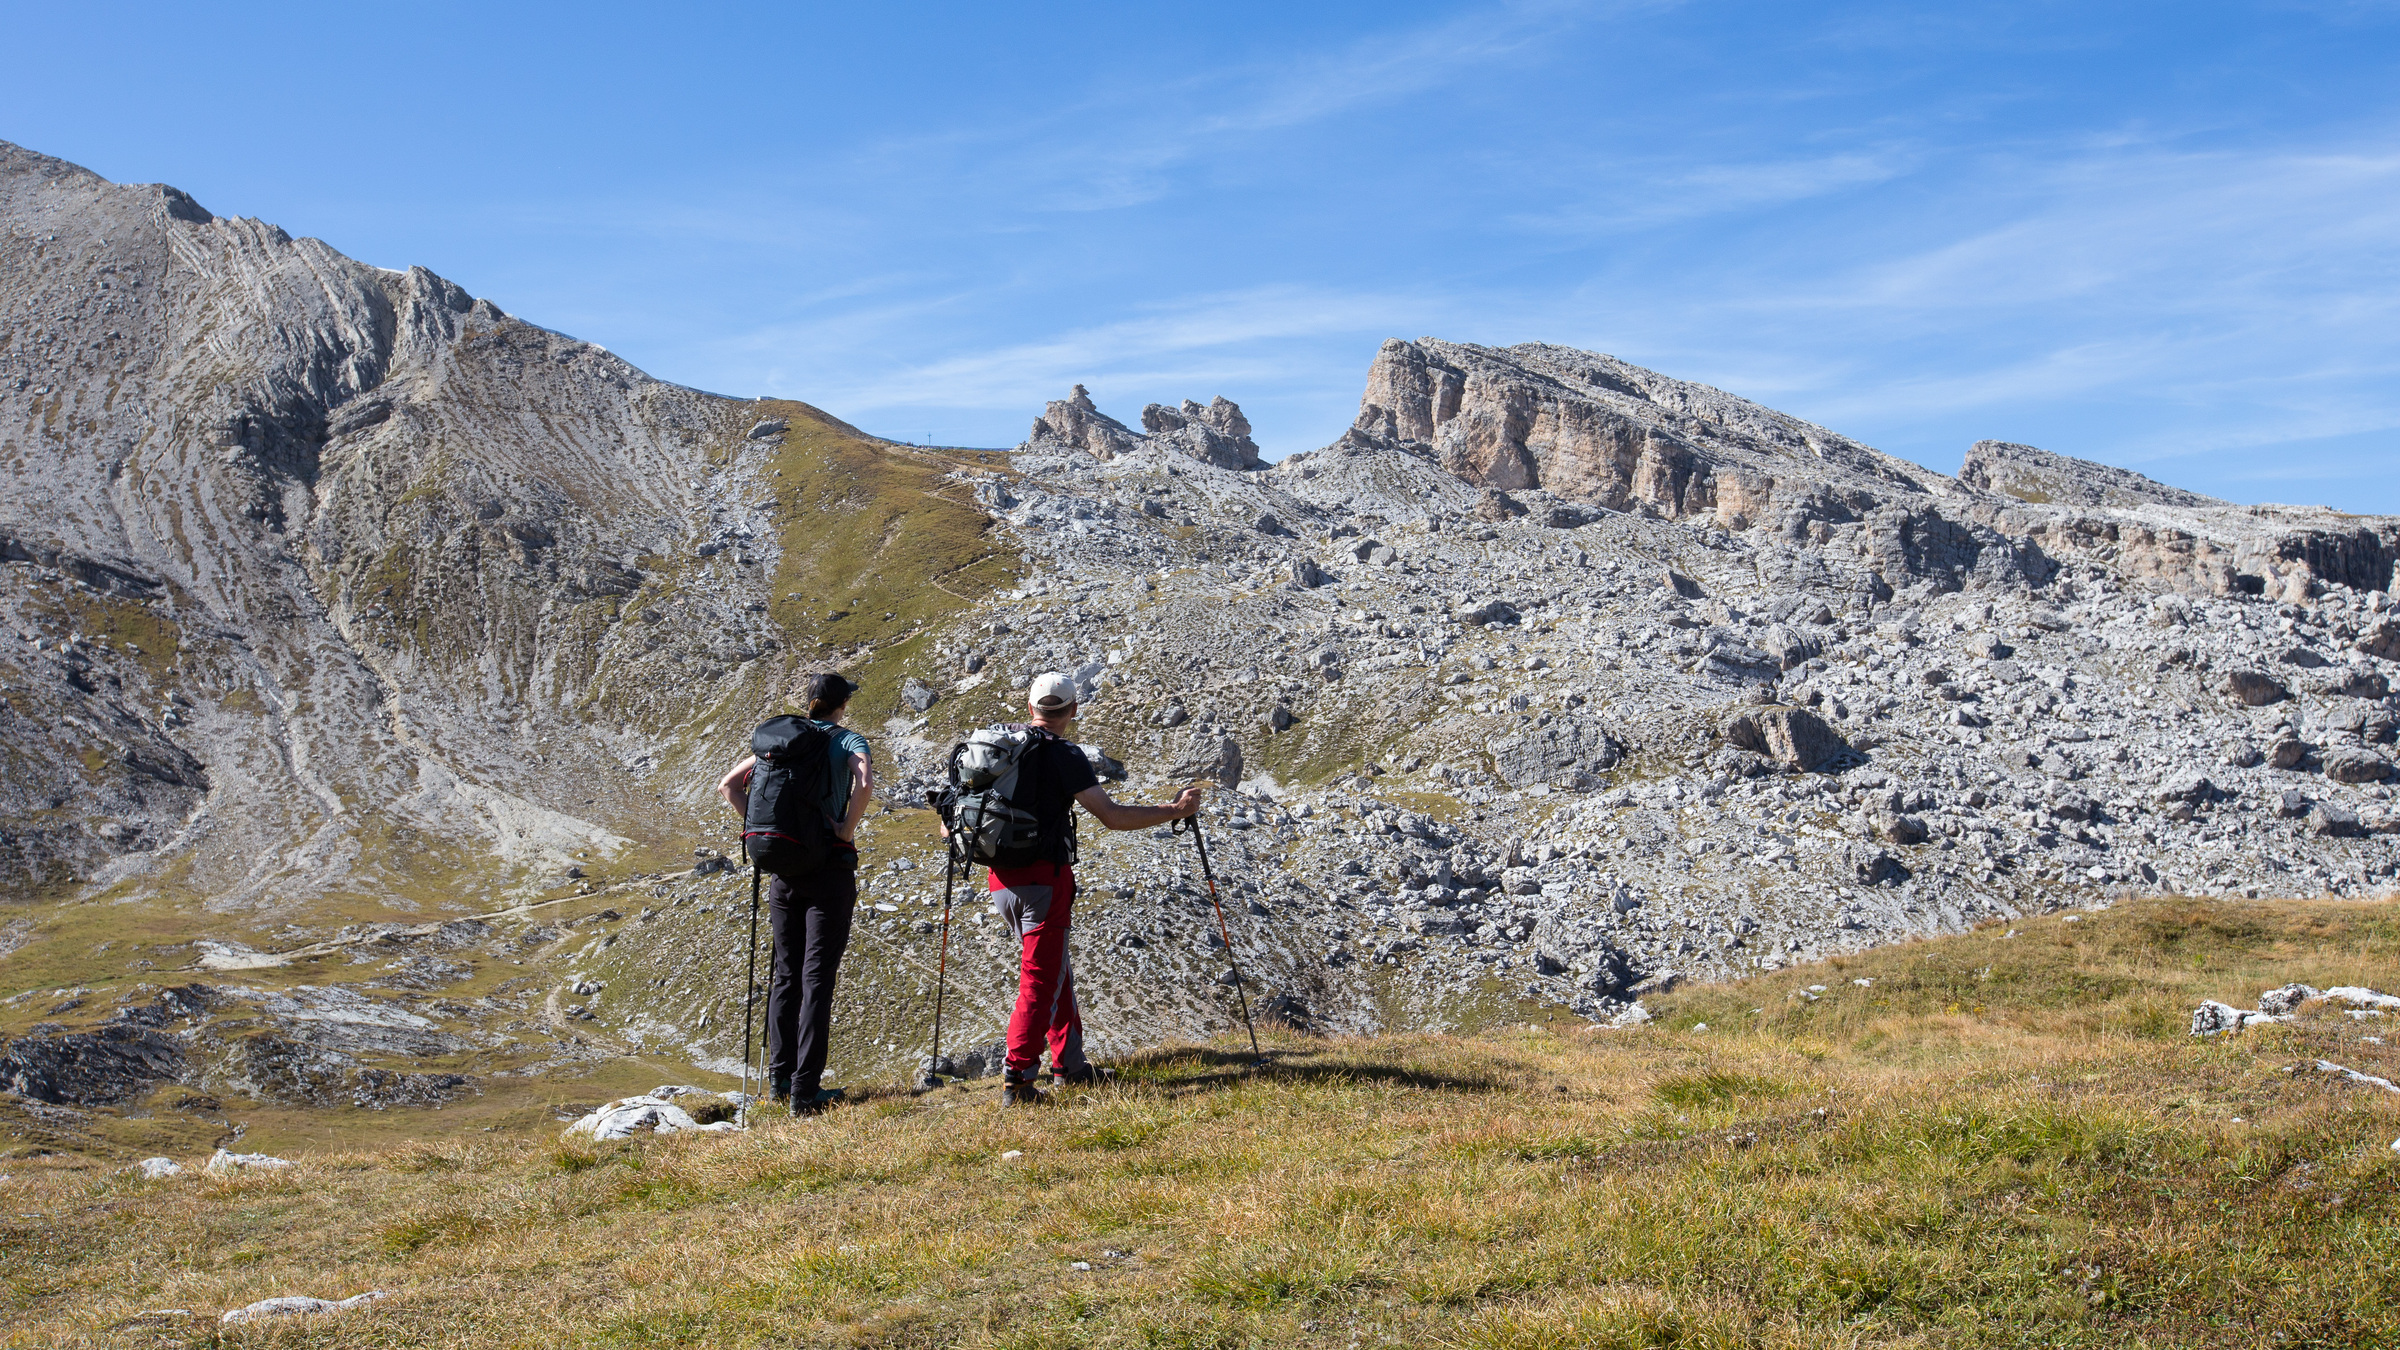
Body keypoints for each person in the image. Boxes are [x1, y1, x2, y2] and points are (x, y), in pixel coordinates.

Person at [973, 671, 1203, 1107]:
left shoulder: (998, 746)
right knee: (1040, 979)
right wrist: (1175, 809)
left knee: (1054, 968)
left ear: (1030, 708)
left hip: (1000, 879)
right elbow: (1111, 816)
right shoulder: (1064, 754)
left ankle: (1071, 1066)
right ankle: (1018, 1080)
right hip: (1045, 878)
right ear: (1073, 710)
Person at [718, 672, 873, 1114]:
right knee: (816, 978)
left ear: (809, 703)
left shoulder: (781, 742)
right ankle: (806, 1093)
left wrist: (758, 827)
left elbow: (728, 785)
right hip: (828, 868)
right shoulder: (847, 740)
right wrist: (845, 828)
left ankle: (780, 1081)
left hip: (784, 871)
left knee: (786, 975)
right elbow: (863, 783)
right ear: (842, 703)